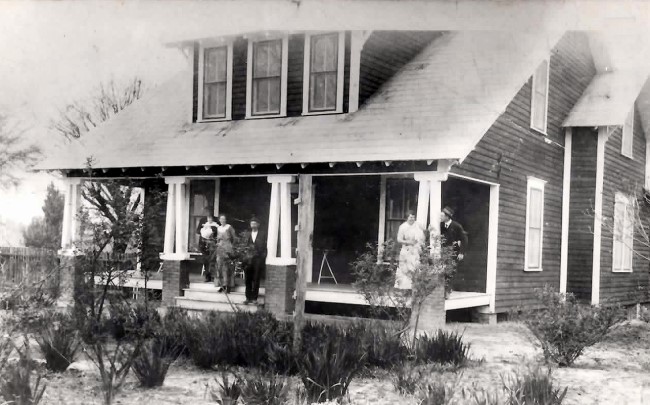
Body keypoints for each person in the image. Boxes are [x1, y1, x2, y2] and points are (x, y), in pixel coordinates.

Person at [395, 210, 425, 289]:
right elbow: (399, 239)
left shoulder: (418, 225)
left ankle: (414, 287)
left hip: (415, 250)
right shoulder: (402, 227)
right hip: (406, 249)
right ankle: (403, 288)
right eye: (410, 217)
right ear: (407, 217)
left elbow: (423, 234)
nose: (412, 219)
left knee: (415, 267)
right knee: (405, 268)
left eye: (414, 217)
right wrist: (408, 242)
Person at [243, 216, 267, 305]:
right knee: (248, 278)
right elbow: (244, 246)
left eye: (255, 223)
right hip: (248, 259)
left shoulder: (262, 234)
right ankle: (247, 297)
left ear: (258, 225)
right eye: (251, 223)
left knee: (256, 278)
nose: (253, 225)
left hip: (258, 259)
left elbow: (265, 247)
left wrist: (262, 257)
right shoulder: (247, 234)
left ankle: (254, 298)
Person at [215, 213, 237, 293]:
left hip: (227, 247)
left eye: (224, 219)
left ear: (226, 219)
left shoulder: (229, 227)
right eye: (221, 219)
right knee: (219, 267)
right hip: (220, 248)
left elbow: (234, 238)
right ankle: (222, 285)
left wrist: (231, 247)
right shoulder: (218, 228)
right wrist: (217, 244)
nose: (222, 220)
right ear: (219, 220)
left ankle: (228, 286)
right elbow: (217, 238)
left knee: (227, 267)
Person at [196, 207, 218, 282]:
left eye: (210, 211)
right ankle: (207, 276)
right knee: (205, 260)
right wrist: (204, 231)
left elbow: (218, 230)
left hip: (212, 242)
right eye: (207, 211)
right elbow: (197, 231)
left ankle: (213, 276)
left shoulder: (216, 220)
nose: (208, 212)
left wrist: (211, 228)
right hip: (203, 242)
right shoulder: (202, 220)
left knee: (213, 259)